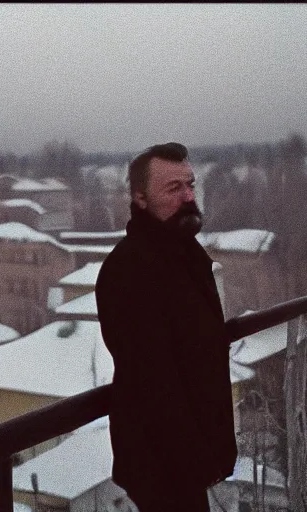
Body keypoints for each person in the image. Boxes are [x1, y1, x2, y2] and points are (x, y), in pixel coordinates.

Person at [95, 143, 237, 511]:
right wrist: (200, 460)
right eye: (173, 189)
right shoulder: (128, 271)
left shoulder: (186, 255)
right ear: (140, 199)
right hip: (161, 464)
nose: (189, 197)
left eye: (190, 185)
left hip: (190, 457)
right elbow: (154, 383)